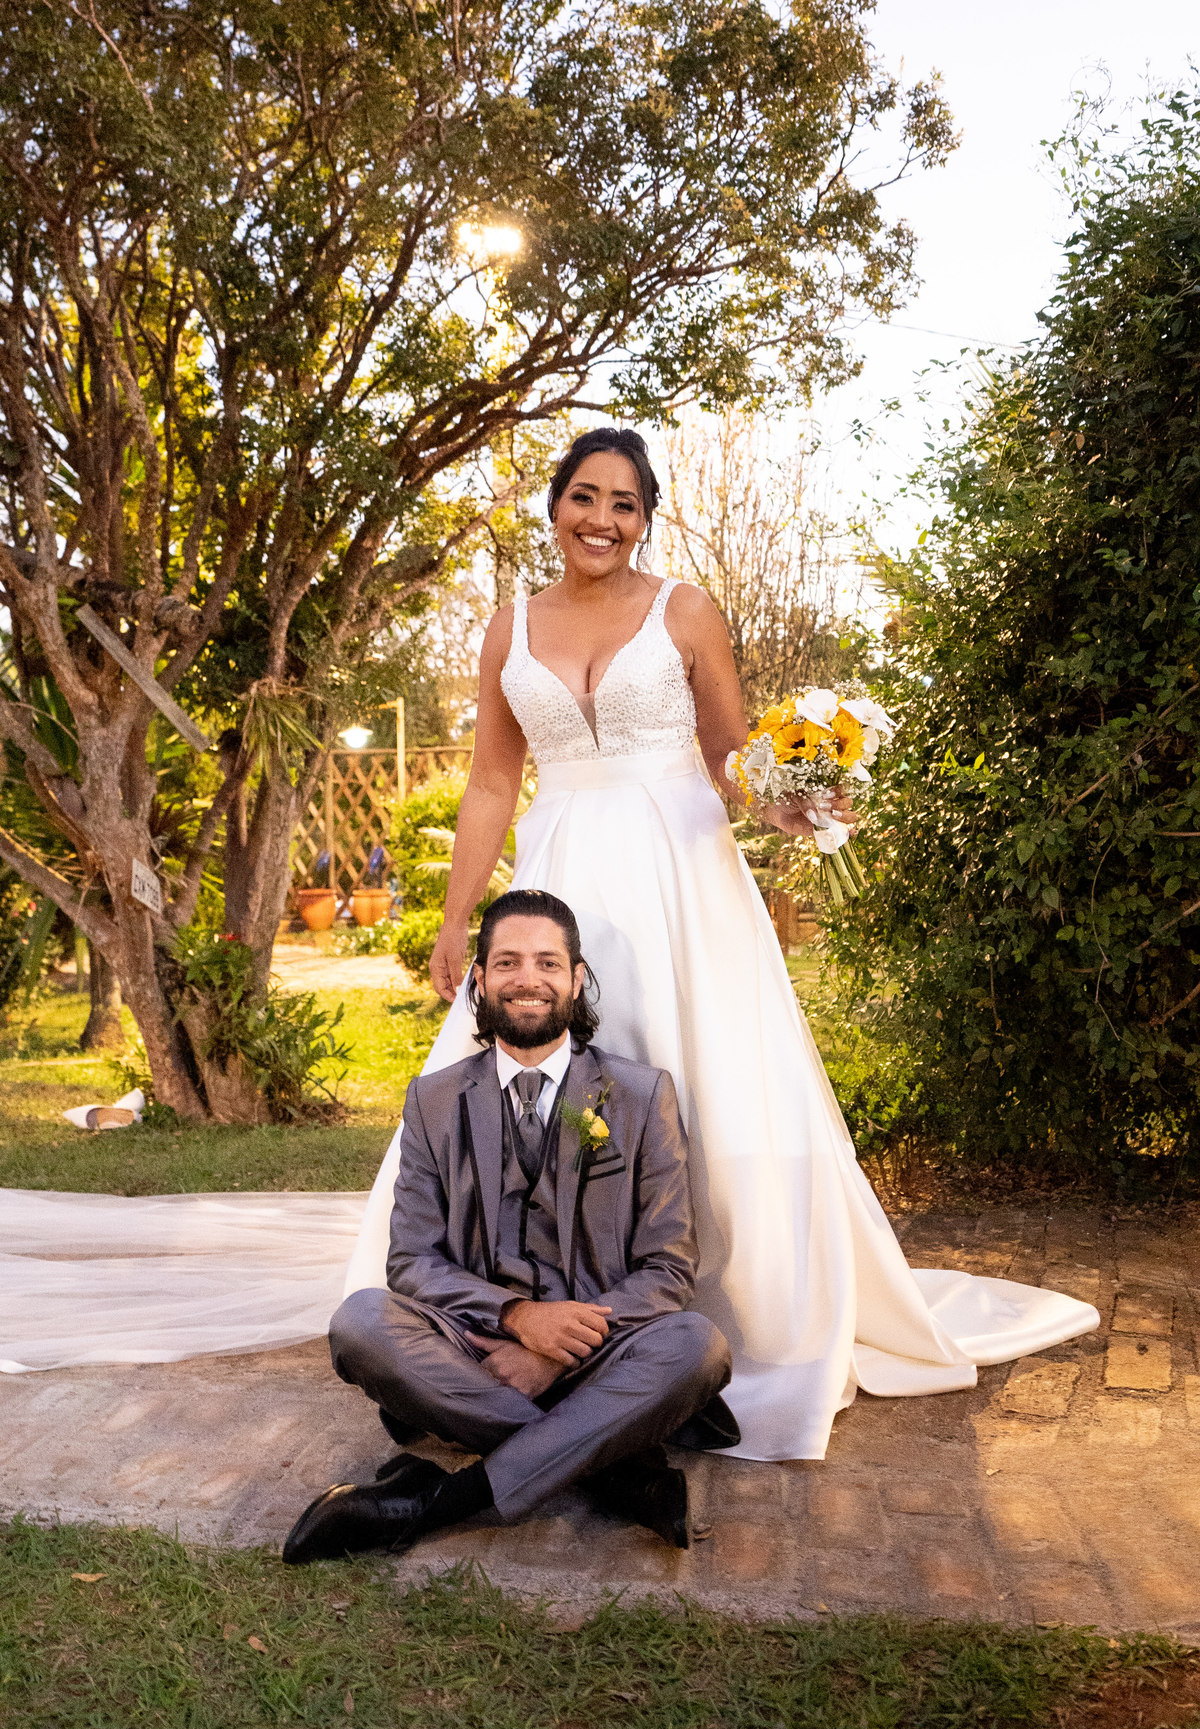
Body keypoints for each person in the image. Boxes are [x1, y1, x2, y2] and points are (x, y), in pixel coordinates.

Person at [343, 426, 1099, 1462]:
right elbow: (488, 781)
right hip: (559, 865)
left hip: (684, 869)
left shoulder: (684, 609)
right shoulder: (506, 628)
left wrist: (790, 803)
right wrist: (453, 917)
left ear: (645, 518)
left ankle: (710, 1317)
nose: (603, 520)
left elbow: (728, 751)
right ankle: (534, 1299)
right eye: (586, 497)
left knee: (703, 1077)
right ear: (554, 505)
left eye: (626, 504)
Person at [284, 891, 734, 1564]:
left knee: (697, 1347)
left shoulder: (641, 1097)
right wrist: (519, 1317)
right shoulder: (434, 1102)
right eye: (509, 962)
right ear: (480, 980)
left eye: (548, 963)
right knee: (362, 1324)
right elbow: (410, 1261)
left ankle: (435, 1500)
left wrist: (557, 1348)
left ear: (576, 979)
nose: (529, 979)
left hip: (599, 1351)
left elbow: (668, 1268)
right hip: (475, 1348)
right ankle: (610, 1467)